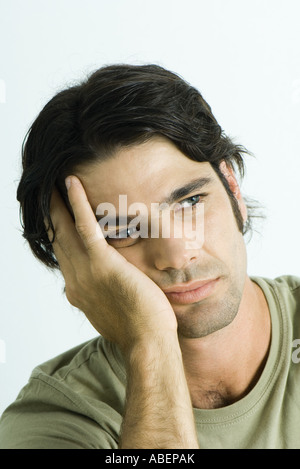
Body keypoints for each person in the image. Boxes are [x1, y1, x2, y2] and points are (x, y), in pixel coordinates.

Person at [0, 64, 299, 449]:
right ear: (71, 255)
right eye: (124, 230)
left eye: (190, 201)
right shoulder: (56, 421)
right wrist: (151, 344)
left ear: (232, 190)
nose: (176, 254)